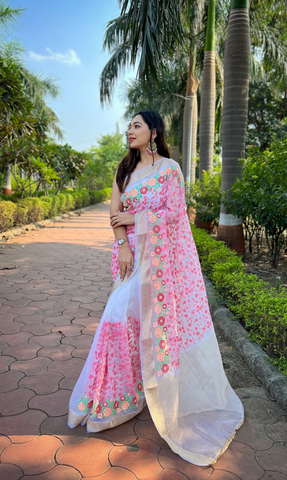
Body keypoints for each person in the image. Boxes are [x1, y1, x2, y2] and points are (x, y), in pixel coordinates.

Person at [68, 110, 244, 466]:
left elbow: (177, 215)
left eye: (136, 125)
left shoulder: (169, 169)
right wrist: (124, 245)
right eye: (129, 126)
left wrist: (139, 219)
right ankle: (117, 397)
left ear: (153, 132)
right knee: (119, 320)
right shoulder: (124, 170)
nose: (129, 131)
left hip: (160, 265)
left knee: (145, 325)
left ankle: (150, 392)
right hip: (131, 259)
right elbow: (115, 215)